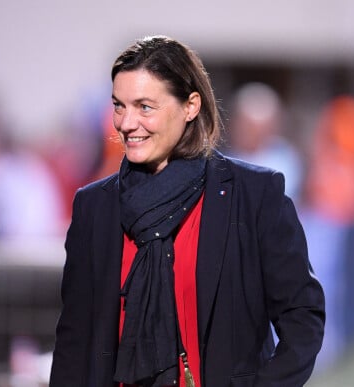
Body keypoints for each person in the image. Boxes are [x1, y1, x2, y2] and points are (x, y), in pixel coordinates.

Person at [49, 35, 324, 387]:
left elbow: (302, 316)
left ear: (190, 106)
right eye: (119, 105)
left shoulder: (254, 195)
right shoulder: (95, 207)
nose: (127, 123)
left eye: (144, 107)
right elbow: (74, 341)